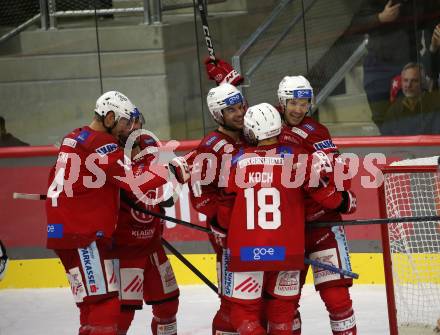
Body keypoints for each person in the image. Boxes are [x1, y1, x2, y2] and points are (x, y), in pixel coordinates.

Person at [45, 91, 190, 335]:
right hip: (82, 235)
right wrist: (170, 171)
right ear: (109, 117)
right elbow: (133, 179)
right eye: (124, 122)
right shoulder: (101, 144)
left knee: (92, 308)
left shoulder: (75, 137)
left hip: (68, 231)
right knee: (106, 308)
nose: (128, 129)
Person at [216, 103, 356, 334]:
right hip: (287, 251)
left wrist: (220, 230)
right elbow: (327, 193)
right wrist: (346, 202)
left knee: (243, 315)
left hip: (248, 251)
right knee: (282, 315)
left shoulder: (236, 161)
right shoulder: (300, 159)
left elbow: (225, 211)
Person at [277, 76, 357, 335]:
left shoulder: (316, 131)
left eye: (304, 103)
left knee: (338, 302)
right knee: (283, 308)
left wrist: (342, 197)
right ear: (282, 101)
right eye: (293, 103)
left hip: (322, 227)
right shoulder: (265, 125)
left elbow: (336, 172)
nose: (299, 109)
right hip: (286, 231)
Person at [188, 82, 247, 335]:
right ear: (217, 115)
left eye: (240, 106)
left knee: (254, 296)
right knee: (232, 298)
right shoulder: (211, 146)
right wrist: (221, 223)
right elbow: (199, 195)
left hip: (252, 226)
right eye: (231, 110)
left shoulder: (249, 134)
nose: (239, 113)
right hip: (226, 230)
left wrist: (228, 77)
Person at [113, 116, 180, 335]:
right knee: (121, 316)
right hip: (125, 251)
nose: (135, 131)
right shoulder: (109, 157)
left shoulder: (151, 148)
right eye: (128, 125)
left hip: (152, 246)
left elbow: (170, 195)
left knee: (168, 305)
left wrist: (172, 183)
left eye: (137, 125)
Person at [350, 0, 440, 131]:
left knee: (411, 118)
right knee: (382, 120)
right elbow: (354, 26)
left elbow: (431, 31)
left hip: (408, 63)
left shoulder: (421, 3)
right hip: (378, 66)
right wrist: (380, 18)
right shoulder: (373, 3)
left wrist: (431, 53)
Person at [382, 62, 440, 135]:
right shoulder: (394, 110)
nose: (408, 85)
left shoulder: (436, 107)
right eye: (405, 80)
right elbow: (385, 139)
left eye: (414, 81)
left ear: (423, 83)